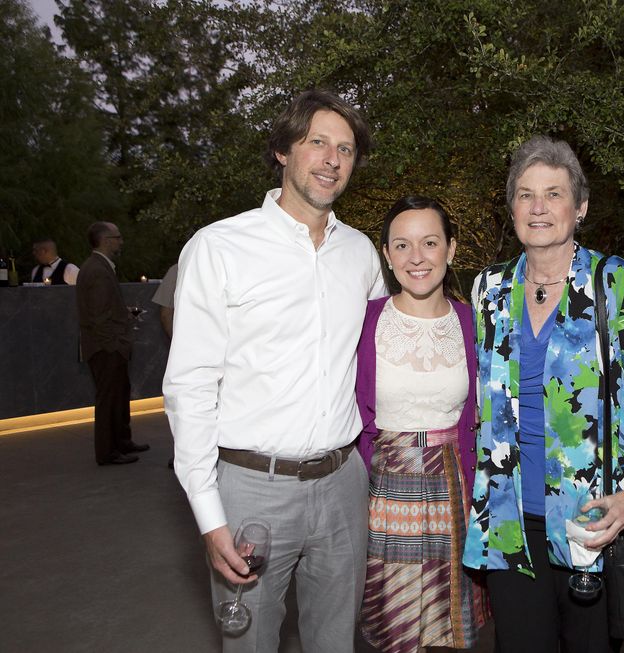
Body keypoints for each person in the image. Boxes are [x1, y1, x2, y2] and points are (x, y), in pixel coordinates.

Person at [163, 89, 385, 653]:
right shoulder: (219, 248)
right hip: (249, 493)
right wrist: (210, 518)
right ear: (284, 151)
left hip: (343, 487)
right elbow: (189, 388)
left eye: (346, 149)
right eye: (317, 143)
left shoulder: (361, 253)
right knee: (250, 644)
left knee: (337, 643)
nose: (333, 159)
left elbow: (384, 353)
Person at [462, 136, 624, 653]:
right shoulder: (490, 287)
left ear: (581, 207)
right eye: (525, 195)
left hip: (589, 519)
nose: (539, 207)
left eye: (553, 193)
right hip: (507, 518)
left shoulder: (612, 281)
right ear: (512, 208)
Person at [355, 196, 489, 652]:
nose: (417, 257)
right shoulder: (363, 321)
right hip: (382, 493)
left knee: (445, 632)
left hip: (453, 487)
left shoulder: (474, 324)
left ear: (450, 250)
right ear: (388, 256)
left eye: (430, 243)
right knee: (391, 626)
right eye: (403, 245)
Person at [76, 222, 150, 465]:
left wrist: (123, 313)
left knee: (119, 394)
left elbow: (104, 309)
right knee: (109, 398)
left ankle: (122, 441)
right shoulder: (97, 270)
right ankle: (108, 452)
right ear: (106, 240)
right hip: (106, 348)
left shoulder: (99, 267)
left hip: (109, 345)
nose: (121, 241)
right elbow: (98, 317)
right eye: (117, 237)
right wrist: (114, 344)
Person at [151, 263, 178, 469]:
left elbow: (165, 313)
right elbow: (165, 312)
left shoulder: (178, 268)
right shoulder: (178, 269)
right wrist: (179, 345)